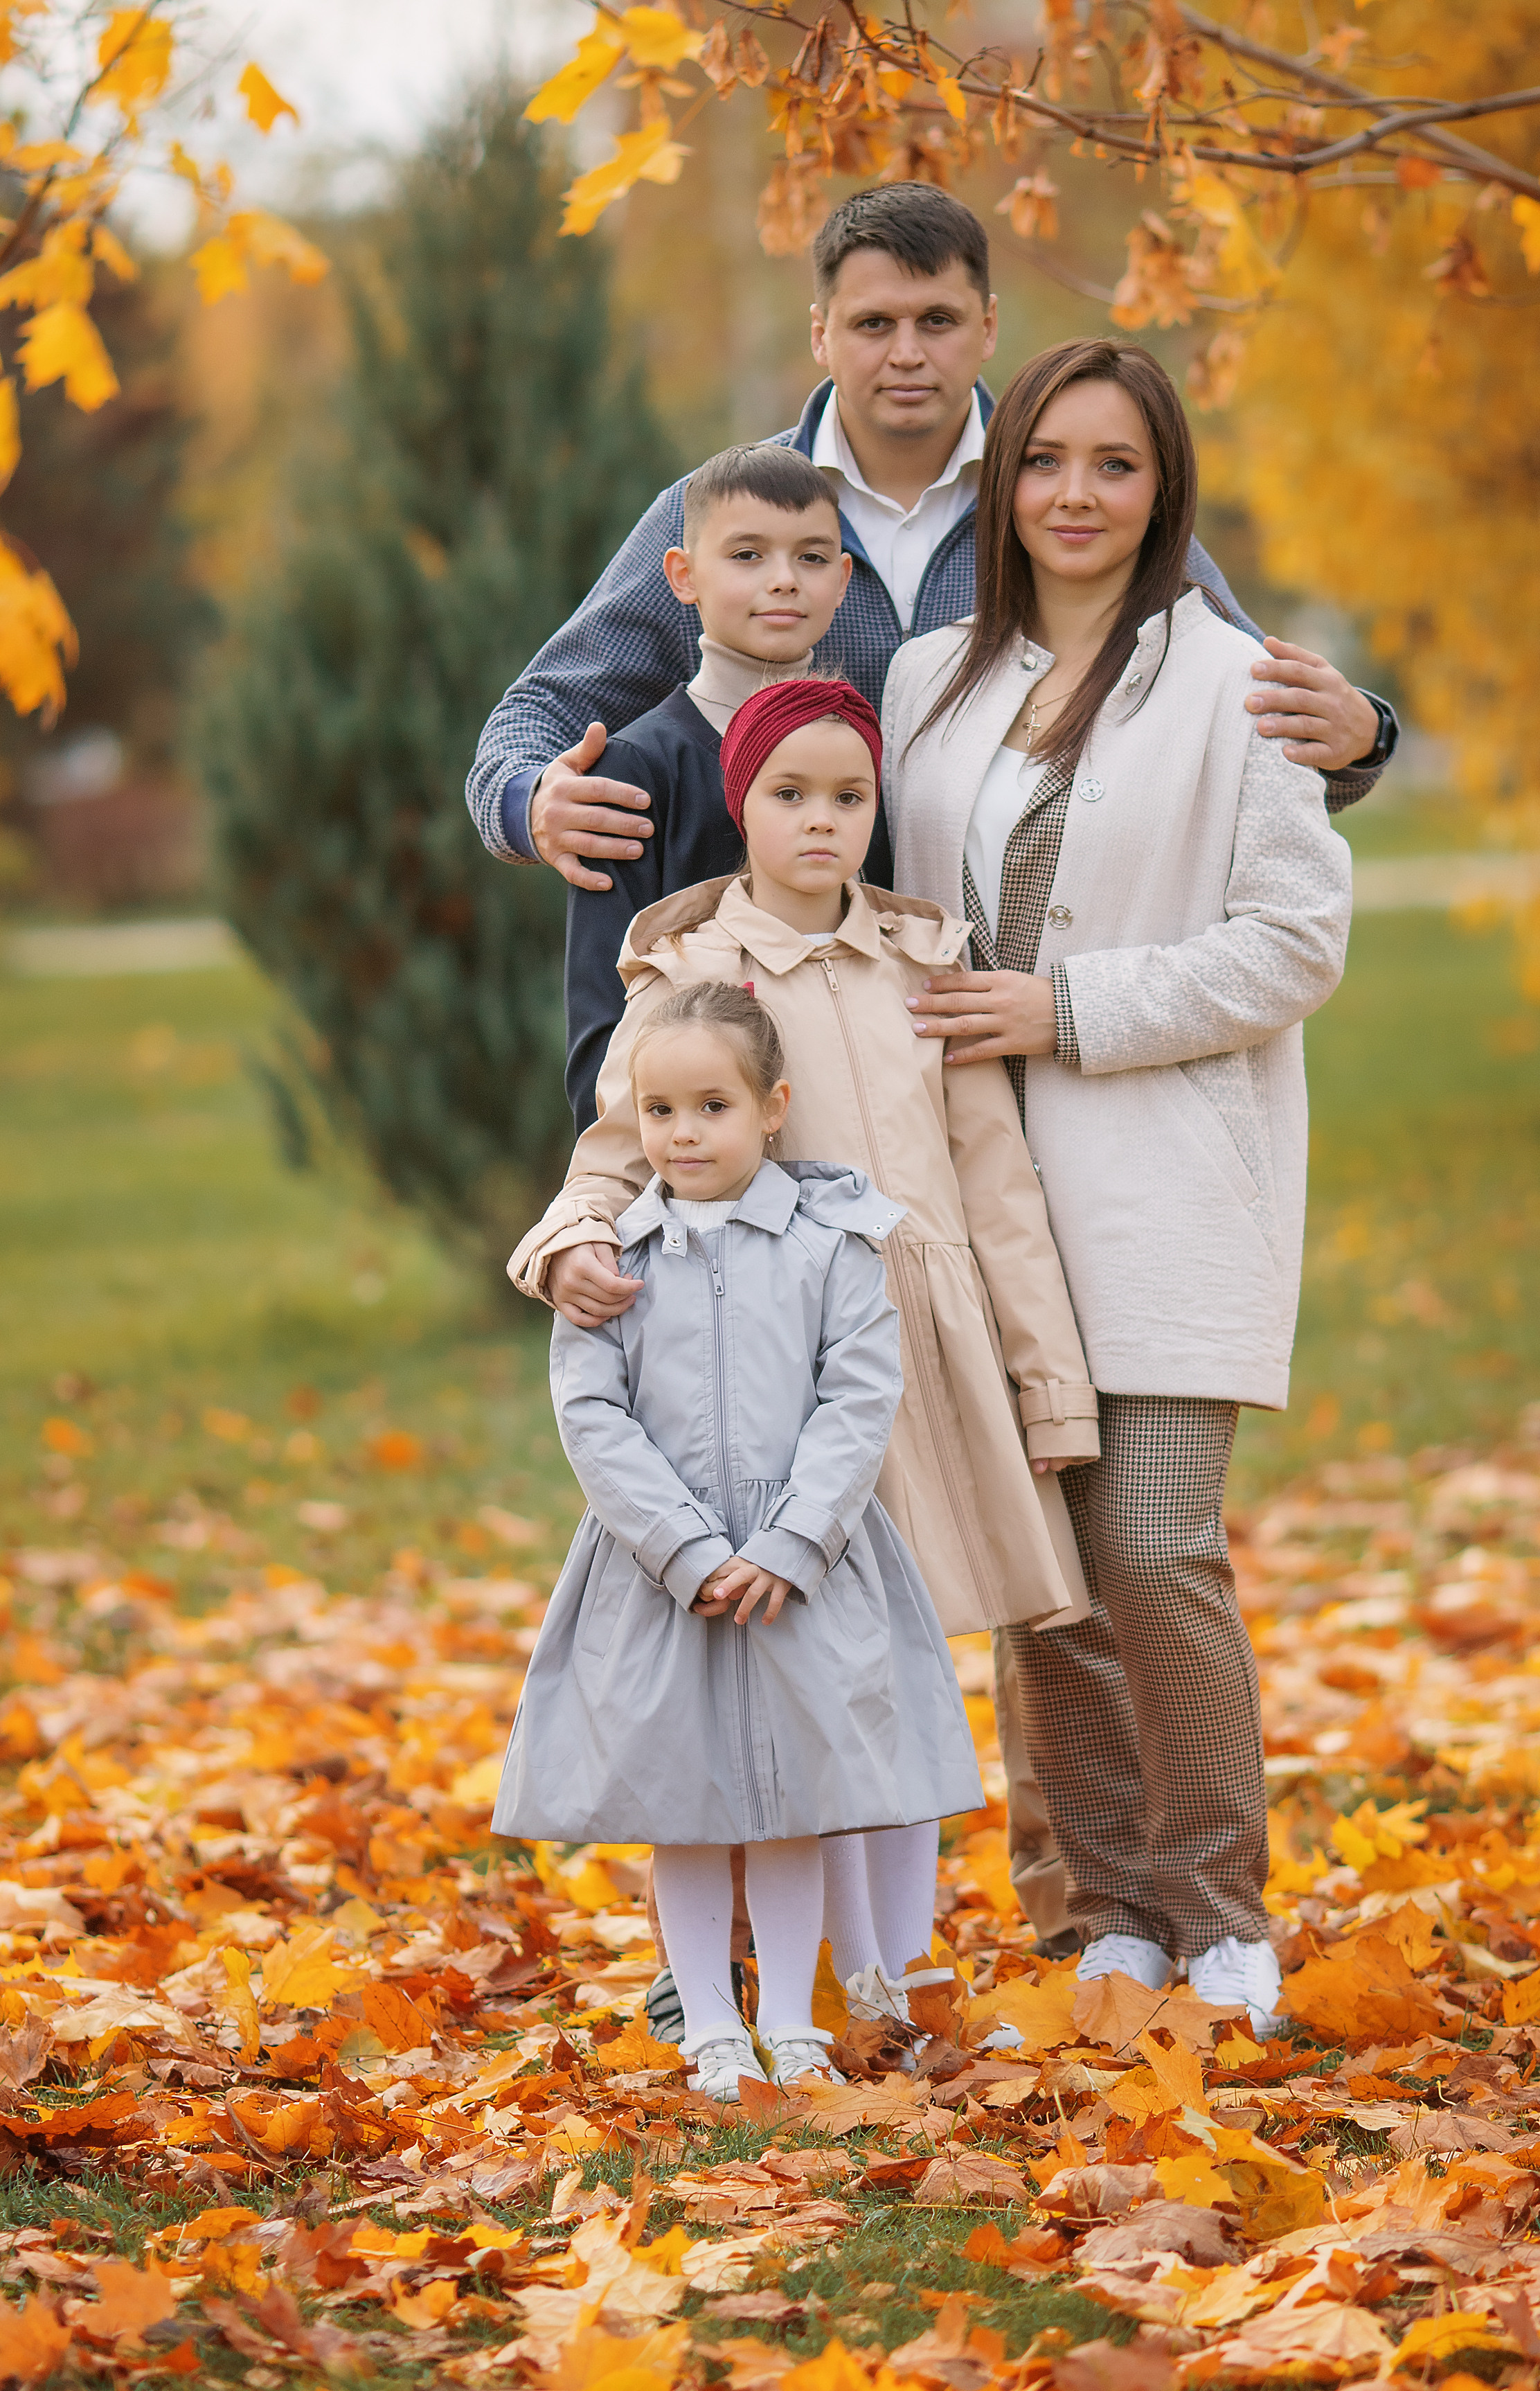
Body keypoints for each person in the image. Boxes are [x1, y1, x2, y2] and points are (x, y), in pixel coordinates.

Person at [881, 337, 1354, 2038]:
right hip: (980, 1207)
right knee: (1042, 1579)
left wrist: (1065, 1009)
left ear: (1164, 495)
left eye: (1114, 465)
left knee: (1152, 1547)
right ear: (1001, 487)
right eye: (1044, 462)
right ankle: (1105, 1914)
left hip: (1161, 1184)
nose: (1074, 495)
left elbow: (1295, 944)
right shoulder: (929, 680)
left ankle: (1220, 1909)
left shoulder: (1239, 681)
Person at [505, 675, 1100, 2024]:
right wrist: (567, 1243)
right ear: (743, 803)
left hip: (917, 1350)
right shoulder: (692, 968)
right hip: (764, 1363)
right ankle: (783, 1968)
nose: (821, 822)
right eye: (790, 794)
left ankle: (897, 1959)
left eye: (847, 797)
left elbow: (993, 1176)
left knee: (894, 1660)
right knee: (796, 1661)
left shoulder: (918, 957)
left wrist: (1044, 1379)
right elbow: (618, 1145)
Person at [466, 183, 1398, 894]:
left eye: (937, 322)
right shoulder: (726, 515)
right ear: (821, 334)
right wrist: (531, 804)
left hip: (1015, 1001)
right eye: (873, 324)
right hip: (788, 999)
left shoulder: (1068, 501)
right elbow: (531, 720)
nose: (906, 353)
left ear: (986, 327)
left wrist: (1361, 740)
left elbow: (1250, 717)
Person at [491, 979, 985, 2099]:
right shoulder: (613, 1257)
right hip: (661, 1576)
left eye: (710, 1106)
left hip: (800, 1569)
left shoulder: (833, 1245)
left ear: (772, 1107)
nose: (682, 1132)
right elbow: (592, 1414)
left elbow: (858, 1400)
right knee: (687, 1800)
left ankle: (798, 2019)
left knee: (795, 1797)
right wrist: (686, 1548)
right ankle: (712, 2020)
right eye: (659, 1112)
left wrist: (792, 1541)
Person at [564, 441, 852, 1133]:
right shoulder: (636, 770)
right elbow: (605, 1017)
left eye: (810, 558)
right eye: (747, 555)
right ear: (683, 575)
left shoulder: (861, 758)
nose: (783, 580)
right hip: (694, 1184)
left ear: (842, 580)